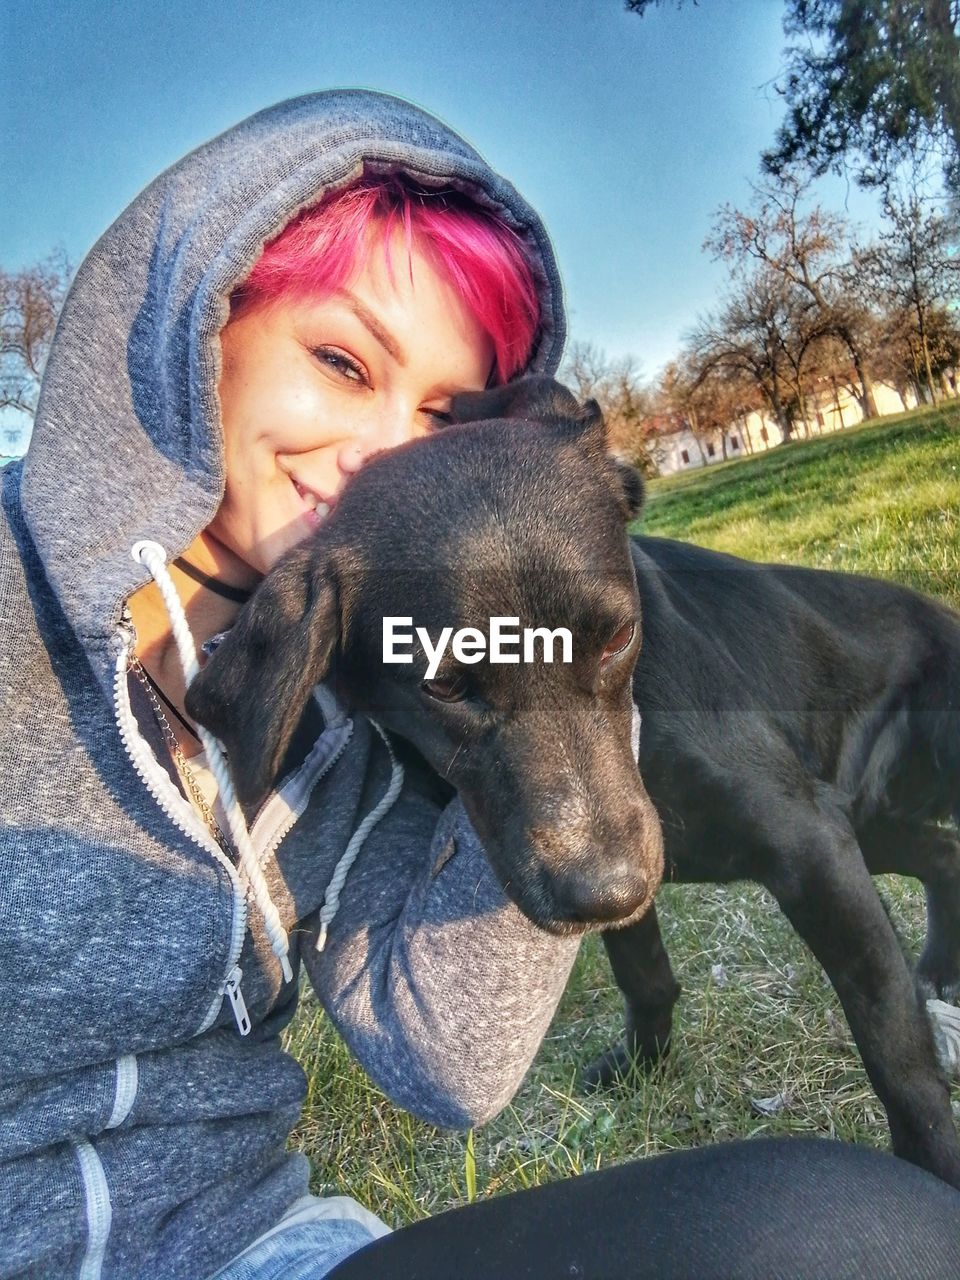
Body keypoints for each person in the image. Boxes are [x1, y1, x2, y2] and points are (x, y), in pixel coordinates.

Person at [2, 89, 958, 1280]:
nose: (388, 457)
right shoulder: (268, 639)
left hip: (253, 1251)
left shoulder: (371, 671)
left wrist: (536, 680)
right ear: (199, 324)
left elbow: (452, 1055)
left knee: (890, 1241)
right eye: (342, 360)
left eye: (447, 417)